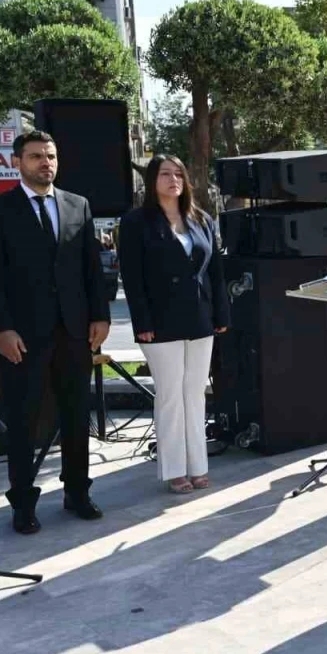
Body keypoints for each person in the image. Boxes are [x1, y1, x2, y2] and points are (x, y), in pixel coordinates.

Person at [0, 131, 110, 534]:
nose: (45, 163)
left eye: (50, 156)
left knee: (76, 415)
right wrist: (2, 328)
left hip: (74, 331)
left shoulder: (77, 204)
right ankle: (22, 503)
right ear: (17, 162)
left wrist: (100, 316)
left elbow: (91, 267)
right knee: (24, 420)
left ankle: (77, 492)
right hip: (23, 334)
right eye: (36, 156)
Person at [118, 156, 230, 494]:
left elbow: (215, 271)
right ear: (152, 181)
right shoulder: (136, 222)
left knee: (195, 393)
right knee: (170, 394)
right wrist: (142, 321)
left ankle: (198, 466)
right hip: (159, 320)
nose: (174, 179)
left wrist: (221, 314)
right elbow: (133, 277)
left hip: (200, 317)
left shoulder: (201, 218)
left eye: (179, 173)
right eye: (165, 174)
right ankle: (174, 470)